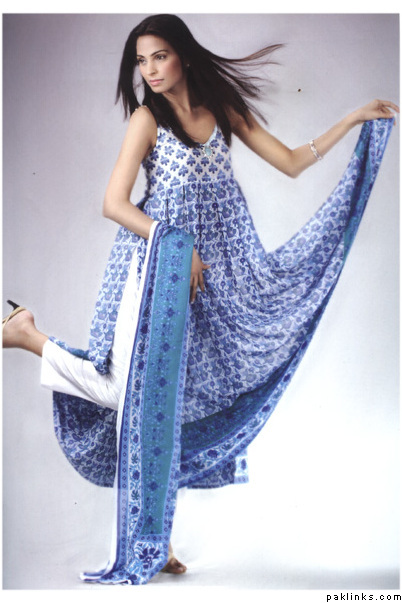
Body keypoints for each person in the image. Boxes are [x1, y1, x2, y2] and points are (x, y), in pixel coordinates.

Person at [2, 14, 398, 585]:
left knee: (176, 404)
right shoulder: (147, 119)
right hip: (155, 270)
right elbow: (114, 203)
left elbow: (290, 162)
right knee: (127, 392)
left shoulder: (221, 110)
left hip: (211, 280)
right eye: (141, 61)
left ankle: (157, 540)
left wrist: (353, 119)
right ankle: (28, 335)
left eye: (159, 56)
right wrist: (177, 245)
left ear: (183, 55)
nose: (149, 70)